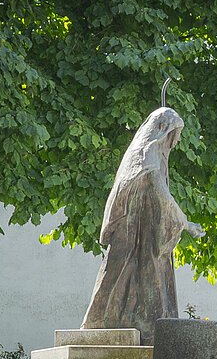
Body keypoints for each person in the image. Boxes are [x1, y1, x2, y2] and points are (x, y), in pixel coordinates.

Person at [82, 106, 206, 342]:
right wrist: (185, 223)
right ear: (163, 130)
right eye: (175, 134)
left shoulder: (155, 154)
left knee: (150, 270)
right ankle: (96, 320)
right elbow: (162, 195)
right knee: (117, 267)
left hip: (144, 225)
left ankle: (147, 322)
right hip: (128, 223)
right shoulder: (146, 154)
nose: (177, 141)